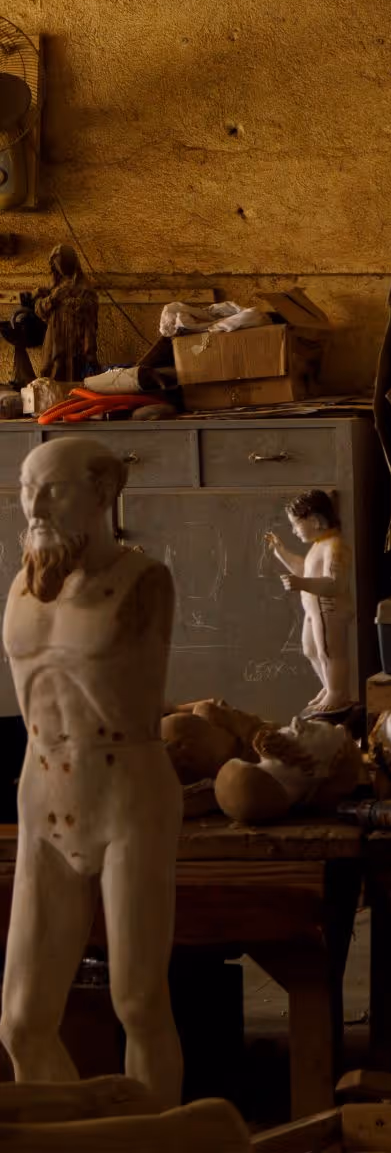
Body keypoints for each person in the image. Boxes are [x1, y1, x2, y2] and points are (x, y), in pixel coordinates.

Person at [2, 438, 182, 1104]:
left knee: (138, 1001)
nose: (35, 505)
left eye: (53, 489)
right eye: (27, 488)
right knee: (22, 1022)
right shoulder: (23, 584)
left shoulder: (144, 581)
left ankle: (154, 1139)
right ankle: (67, 1141)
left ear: (104, 493)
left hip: (125, 800)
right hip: (42, 797)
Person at [265, 489, 353, 715]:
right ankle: (329, 686)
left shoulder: (334, 546)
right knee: (311, 650)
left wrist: (301, 584)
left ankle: (337, 691)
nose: (294, 531)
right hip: (314, 611)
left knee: (330, 652)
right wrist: (281, 552)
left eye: (296, 524)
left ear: (314, 520)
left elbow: (335, 584)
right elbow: (305, 570)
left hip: (328, 610)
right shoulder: (319, 546)